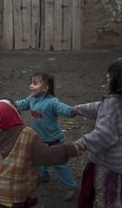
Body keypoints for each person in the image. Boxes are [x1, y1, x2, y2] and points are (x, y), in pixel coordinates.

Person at [0, 99, 81, 207]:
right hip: (18, 193)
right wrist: (73, 148)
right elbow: (48, 155)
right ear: (15, 113)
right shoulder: (28, 134)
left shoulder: (0, 135)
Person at [74, 60, 122, 208]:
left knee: (108, 199)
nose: (107, 77)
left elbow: (104, 135)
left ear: (119, 82)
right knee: (92, 190)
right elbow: (99, 107)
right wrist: (77, 109)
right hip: (117, 162)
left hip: (107, 166)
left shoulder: (113, 104)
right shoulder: (121, 100)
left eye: (110, 76)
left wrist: (80, 144)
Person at [14, 72, 78, 201]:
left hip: (54, 141)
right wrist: (10, 103)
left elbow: (64, 109)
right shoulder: (31, 99)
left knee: (60, 164)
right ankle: (43, 175)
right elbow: (22, 104)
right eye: (31, 82)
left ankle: (71, 187)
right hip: (38, 139)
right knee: (38, 159)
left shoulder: (52, 102)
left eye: (35, 83)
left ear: (46, 87)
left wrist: (73, 110)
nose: (30, 86)